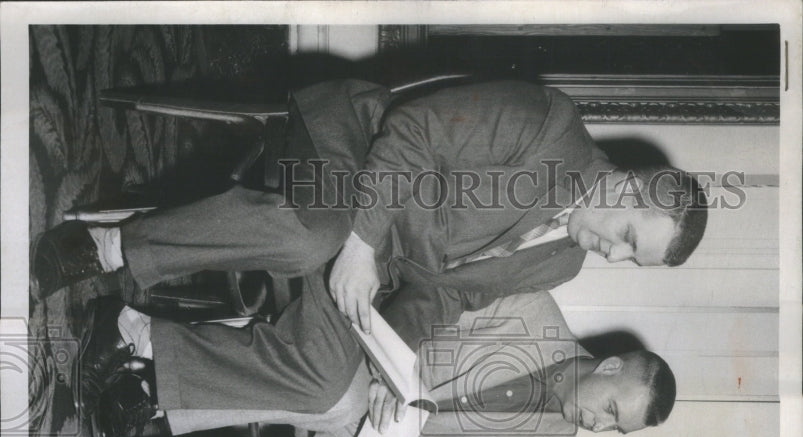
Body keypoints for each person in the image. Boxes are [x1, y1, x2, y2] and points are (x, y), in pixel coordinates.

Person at [33, 78, 708, 347]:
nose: (611, 257)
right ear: (624, 189)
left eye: (629, 258)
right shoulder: (548, 125)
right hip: (351, 150)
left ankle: (141, 342)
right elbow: (410, 132)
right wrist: (359, 245)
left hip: (373, 250)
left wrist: (398, 358)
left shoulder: (561, 263)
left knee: (336, 383)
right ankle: (112, 248)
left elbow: (443, 297)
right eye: (626, 239)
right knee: (313, 238)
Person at [83, 288, 676, 437]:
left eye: (613, 430)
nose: (598, 425)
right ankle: (155, 386)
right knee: (338, 402)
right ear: (610, 366)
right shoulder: (532, 311)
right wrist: (396, 387)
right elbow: (423, 304)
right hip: (365, 358)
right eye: (611, 410)